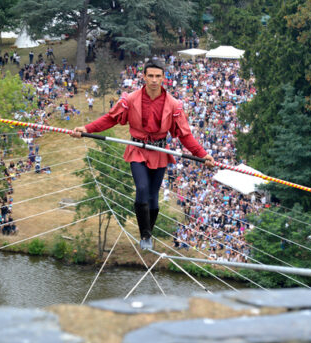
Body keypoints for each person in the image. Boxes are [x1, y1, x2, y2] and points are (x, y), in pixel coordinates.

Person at [71, 57, 214, 250]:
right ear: (144, 77)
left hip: (159, 151)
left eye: (158, 76)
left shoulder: (173, 105)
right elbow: (109, 119)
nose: (154, 80)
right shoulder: (130, 100)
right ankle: (145, 235)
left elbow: (185, 135)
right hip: (137, 149)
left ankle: (149, 232)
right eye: (151, 76)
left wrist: (203, 154)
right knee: (142, 188)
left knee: (154, 198)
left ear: (164, 78)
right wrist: (86, 129)